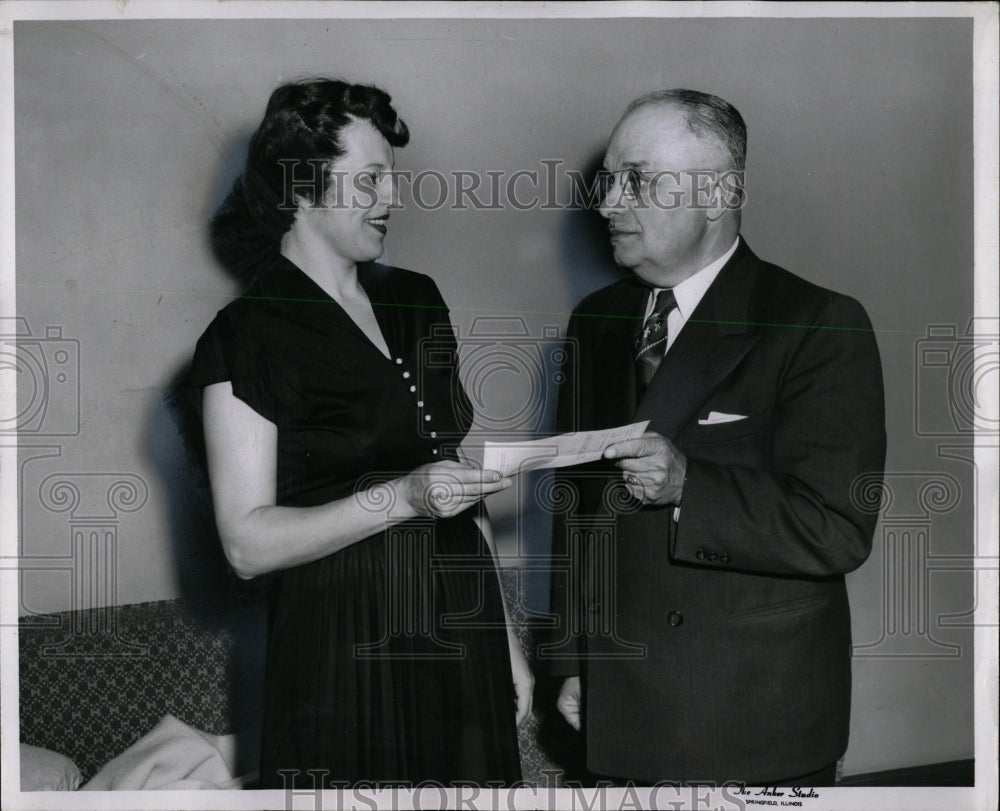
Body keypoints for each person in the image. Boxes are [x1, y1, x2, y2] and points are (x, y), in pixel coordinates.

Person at [188, 79, 530, 788]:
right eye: (369, 178)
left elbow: (454, 479)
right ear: (304, 187)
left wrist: (510, 647)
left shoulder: (417, 300)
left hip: (460, 628)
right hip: (342, 650)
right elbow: (244, 545)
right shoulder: (247, 334)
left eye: (392, 177)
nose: (390, 198)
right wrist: (402, 498)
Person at [548, 89, 886, 786]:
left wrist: (687, 487)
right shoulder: (596, 321)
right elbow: (574, 513)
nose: (608, 202)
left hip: (750, 718)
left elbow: (836, 527)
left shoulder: (818, 323)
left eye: (637, 179)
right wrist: (572, 659)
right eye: (606, 180)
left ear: (721, 192)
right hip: (617, 706)